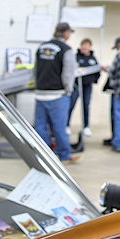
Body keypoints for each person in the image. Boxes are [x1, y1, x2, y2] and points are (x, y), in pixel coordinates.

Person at [34, 22, 79, 164]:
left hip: (40, 93)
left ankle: (43, 156)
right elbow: (68, 73)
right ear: (66, 33)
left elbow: (35, 70)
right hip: (57, 94)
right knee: (59, 127)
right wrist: (68, 90)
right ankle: (65, 155)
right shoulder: (66, 50)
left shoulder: (41, 47)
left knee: (41, 127)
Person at [67, 38, 101, 136]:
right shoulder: (76, 57)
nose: (84, 48)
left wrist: (94, 81)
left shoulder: (93, 58)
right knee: (71, 105)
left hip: (87, 86)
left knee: (86, 105)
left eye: (86, 46)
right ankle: (66, 125)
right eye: (83, 46)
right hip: (76, 85)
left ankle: (86, 126)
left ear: (90, 47)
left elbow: (97, 71)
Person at [102, 36, 120, 146]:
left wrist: (107, 69)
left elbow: (116, 71)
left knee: (117, 116)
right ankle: (116, 138)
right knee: (119, 117)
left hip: (119, 91)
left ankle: (117, 140)